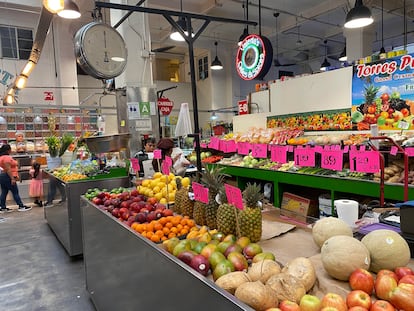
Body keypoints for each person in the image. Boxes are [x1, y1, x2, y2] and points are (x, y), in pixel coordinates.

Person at [0, 144, 31, 212]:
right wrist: (12, 178)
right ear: (8, 150)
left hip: (2, 176)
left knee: (4, 192)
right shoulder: (7, 158)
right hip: (8, 176)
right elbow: (8, 169)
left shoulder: (1, 157)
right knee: (15, 192)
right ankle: (21, 206)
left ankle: (2, 207)